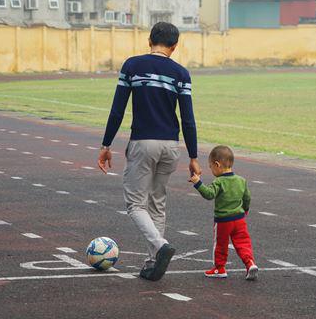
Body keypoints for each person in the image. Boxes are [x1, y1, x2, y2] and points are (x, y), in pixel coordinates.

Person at [98, 22, 201, 281]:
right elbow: (188, 119)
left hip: (143, 143)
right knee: (157, 203)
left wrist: (106, 144)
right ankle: (152, 263)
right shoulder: (181, 73)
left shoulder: (132, 66)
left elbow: (117, 110)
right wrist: (193, 157)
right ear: (174, 47)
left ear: (149, 41)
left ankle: (160, 246)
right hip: (170, 145)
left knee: (135, 205)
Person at [189, 145, 258, 280]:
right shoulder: (241, 180)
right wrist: (245, 210)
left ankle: (219, 268)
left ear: (217, 164)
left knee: (220, 244)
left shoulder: (219, 181)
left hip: (223, 221)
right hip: (239, 219)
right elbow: (247, 197)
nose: (211, 170)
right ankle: (250, 263)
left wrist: (198, 183)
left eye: (211, 167)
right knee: (243, 243)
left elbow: (209, 194)